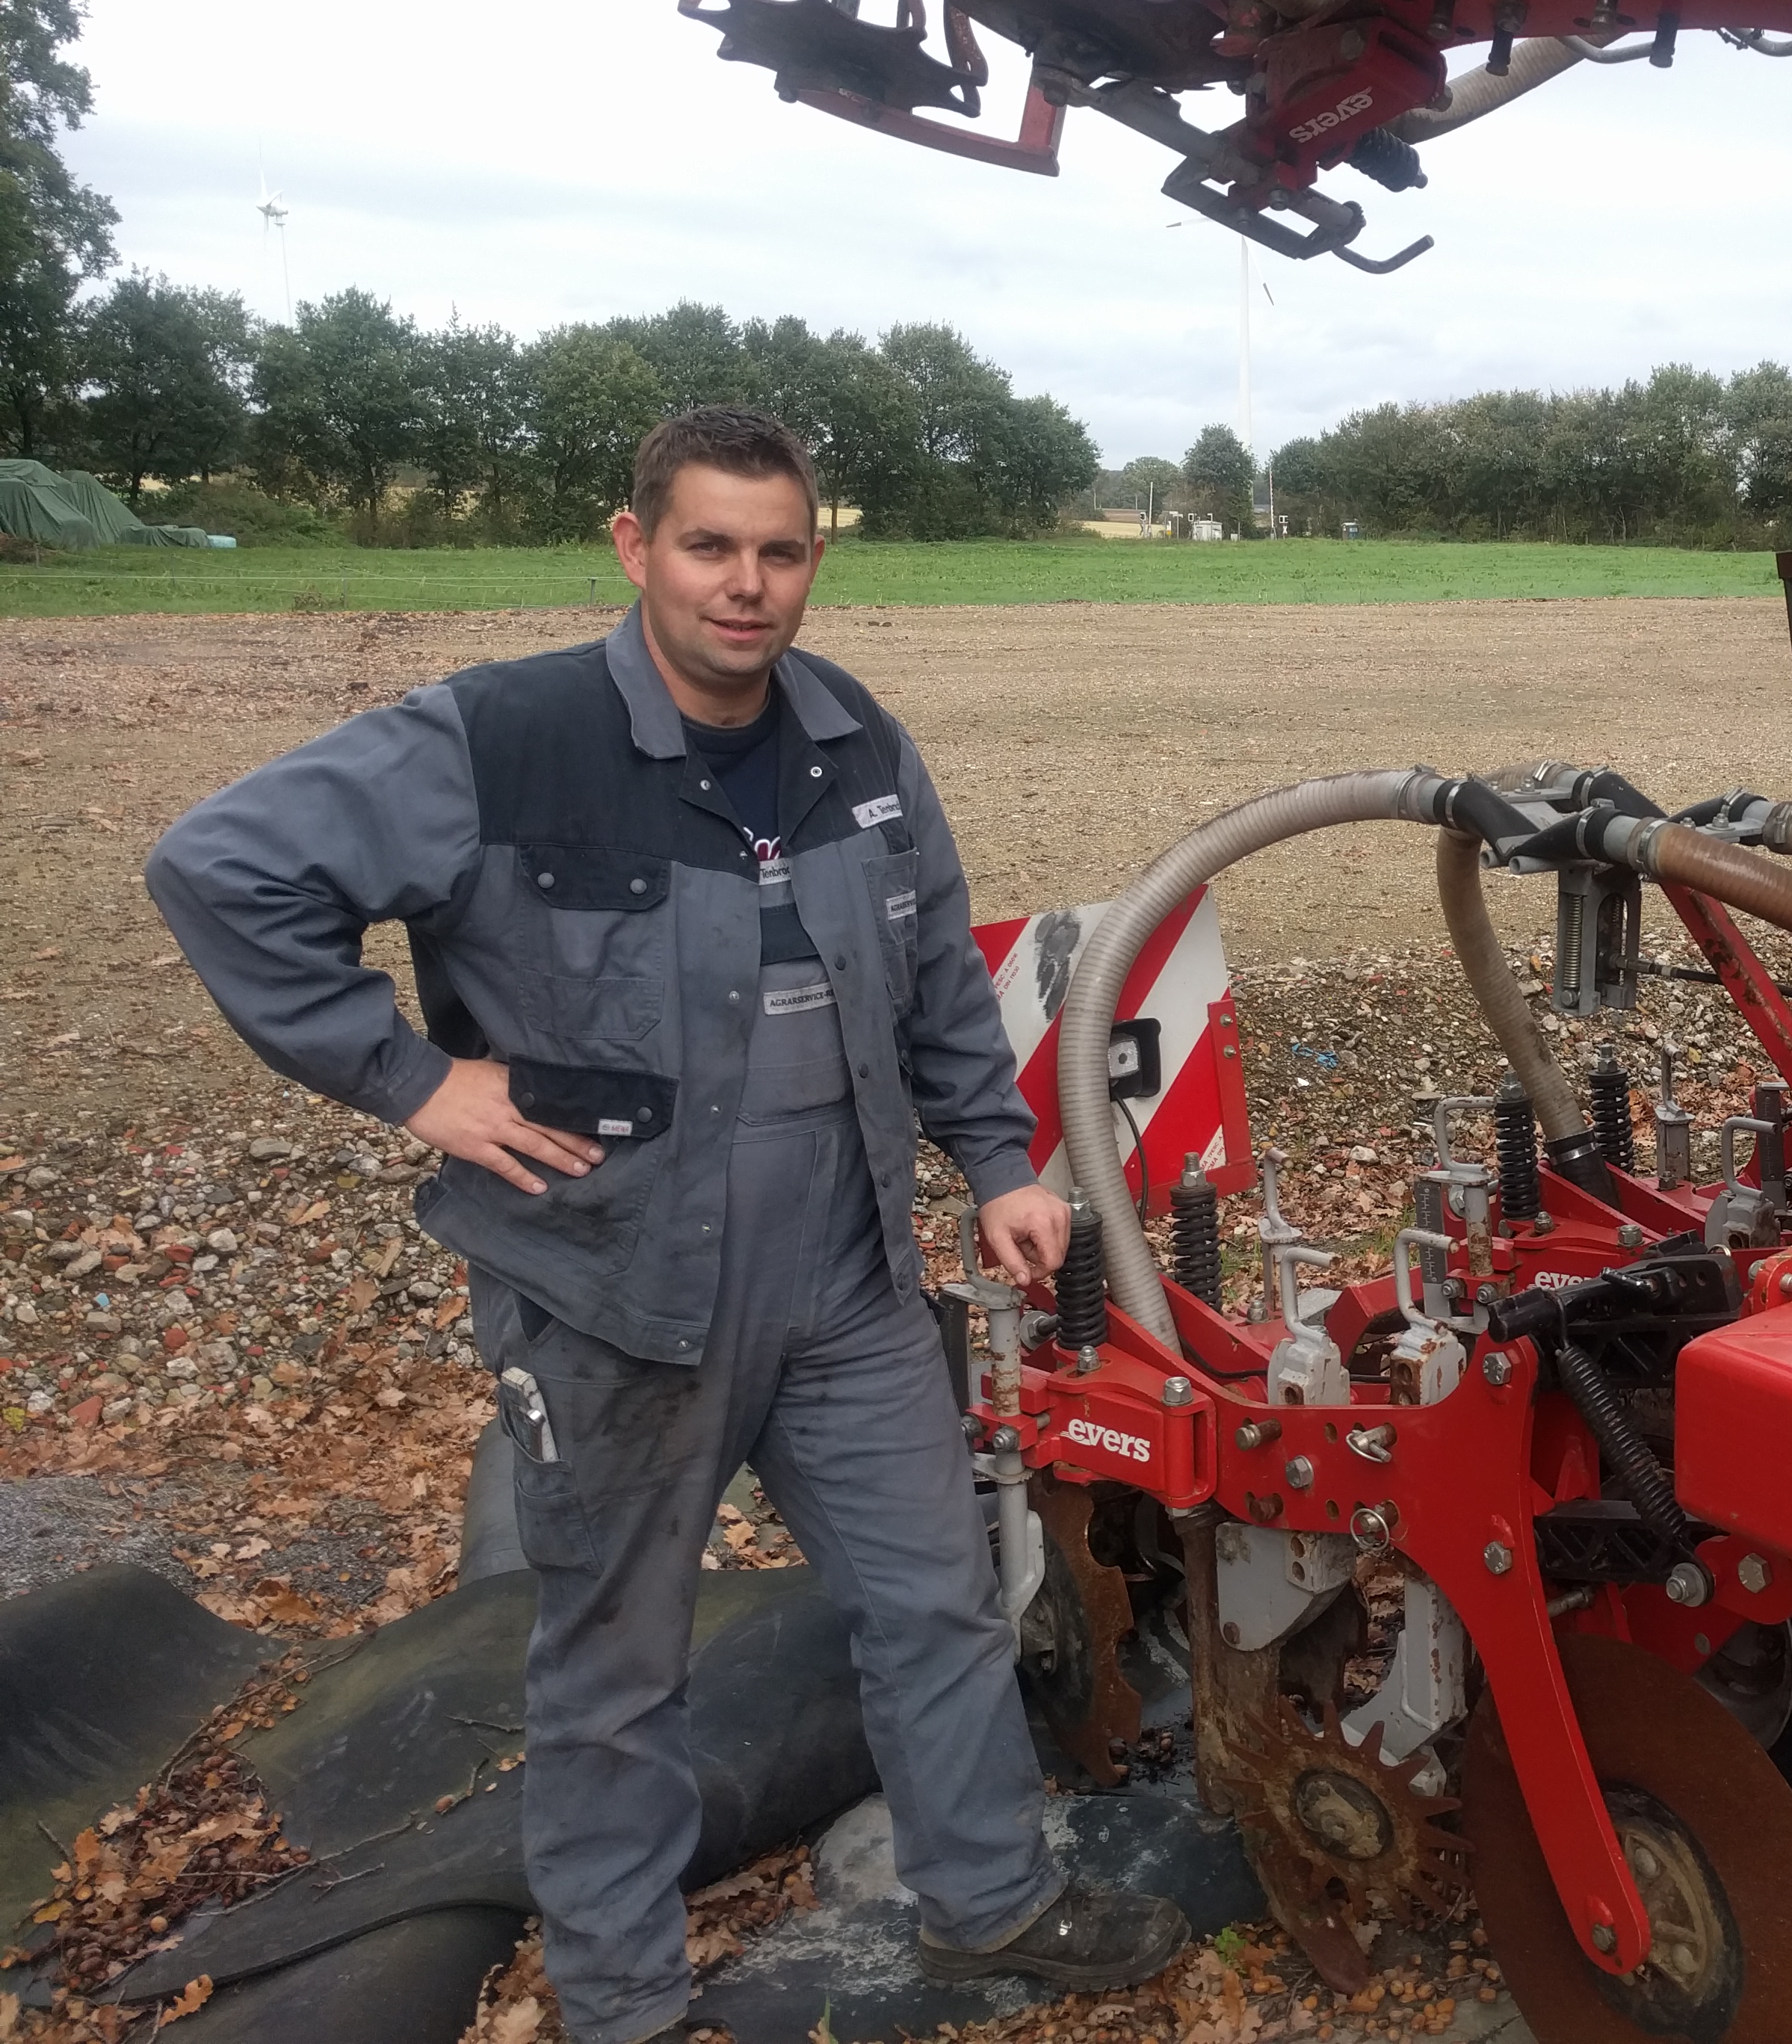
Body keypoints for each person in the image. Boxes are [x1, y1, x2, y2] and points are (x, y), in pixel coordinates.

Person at [147, 407, 1187, 2043]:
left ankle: (989, 1903)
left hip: (841, 1285)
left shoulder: (857, 747)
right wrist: (415, 1082)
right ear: (636, 547)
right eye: (710, 546)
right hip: (615, 1294)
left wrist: (998, 1163)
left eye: (779, 552)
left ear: (812, 562)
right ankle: (625, 2005)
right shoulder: (506, 739)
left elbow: (930, 987)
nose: (746, 586)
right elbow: (219, 870)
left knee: (934, 1602)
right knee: (619, 1673)